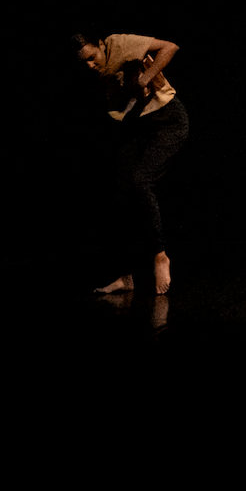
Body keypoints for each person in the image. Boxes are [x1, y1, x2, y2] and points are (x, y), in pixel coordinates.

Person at [77, 31, 186, 295]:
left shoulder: (119, 43)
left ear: (100, 45)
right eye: (84, 63)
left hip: (167, 121)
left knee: (141, 181)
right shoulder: (94, 75)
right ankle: (126, 277)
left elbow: (171, 46)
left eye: (92, 57)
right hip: (136, 127)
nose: (90, 66)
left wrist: (146, 78)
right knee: (119, 199)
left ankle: (160, 256)